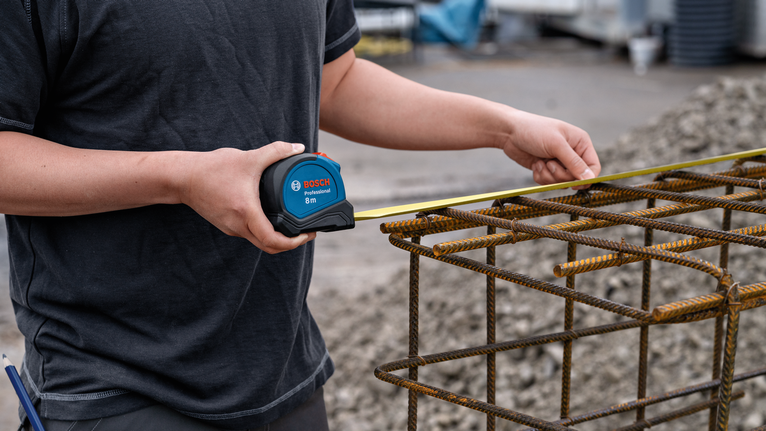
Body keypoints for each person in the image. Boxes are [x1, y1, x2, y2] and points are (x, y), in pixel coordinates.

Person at [0, 0, 600, 430]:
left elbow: (335, 82)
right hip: (116, 383)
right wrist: (179, 178)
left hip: (284, 371)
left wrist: (502, 126)